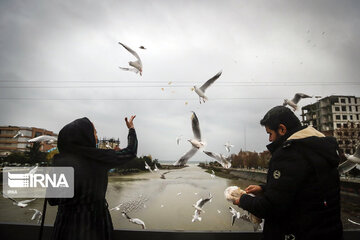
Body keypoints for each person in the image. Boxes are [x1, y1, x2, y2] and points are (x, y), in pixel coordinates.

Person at [232, 106, 343, 240]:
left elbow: (271, 208)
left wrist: (243, 200)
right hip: (328, 232)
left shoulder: (289, 153)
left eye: (270, 133)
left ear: (282, 129)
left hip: (298, 234)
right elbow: (306, 187)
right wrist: (264, 188)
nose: (270, 140)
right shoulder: (320, 149)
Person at [48, 116, 137, 240]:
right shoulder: (98, 158)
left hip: (64, 228)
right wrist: (131, 129)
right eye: (94, 132)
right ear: (86, 136)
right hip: (94, 227)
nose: (96, 136)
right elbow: (130, 152)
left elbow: (52, 201)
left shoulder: (60, 162)